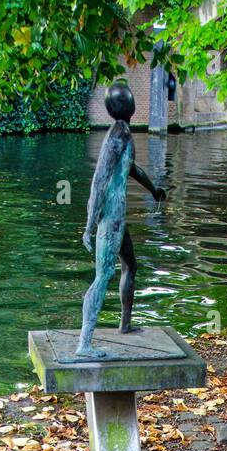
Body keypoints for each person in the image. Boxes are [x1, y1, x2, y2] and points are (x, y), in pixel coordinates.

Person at [75, 82, 166, 358]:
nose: (131, 101)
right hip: (110, 217)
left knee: (131, 265)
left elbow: (132, 169)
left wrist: (153, 189)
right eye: (127, 98)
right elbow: (99, 180)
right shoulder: (117, 134)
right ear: (123, 106)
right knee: (103, 277)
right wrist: (90, 226)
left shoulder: (123, 132)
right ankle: (84, 344)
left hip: (118, 216)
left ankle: (125, 325)